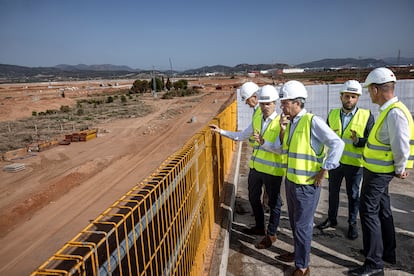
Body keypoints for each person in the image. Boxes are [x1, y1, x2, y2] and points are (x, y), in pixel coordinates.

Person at [261, 80, 344, 276]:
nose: (282, 106)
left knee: (302, 226)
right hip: (291, 182)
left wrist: (325, 169)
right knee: (294, 224)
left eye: (285, 102)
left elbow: (337, 144)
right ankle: (299, 253)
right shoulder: (292, 123)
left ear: (298, 102)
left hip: (307, 185)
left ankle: (303, 266)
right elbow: (284, 149)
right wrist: (281, 130)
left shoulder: (312, 121)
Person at [350, 68, 414, 276]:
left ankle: (374, 264)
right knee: (382, 210)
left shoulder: (394, 113)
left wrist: (400, 168)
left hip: (380, 173)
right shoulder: (389, 110)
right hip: (376, 170)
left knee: (368, 211)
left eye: (369, 90)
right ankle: (386, 252)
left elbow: (401, 145)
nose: (369, 94)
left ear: (377, 90)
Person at [211, 84, 284, 249]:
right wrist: (221, 131)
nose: (264, 106)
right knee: (253, 198)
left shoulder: (281, 122)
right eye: (263, 103)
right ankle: (260, 227)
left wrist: (263, 143)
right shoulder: (257, 118)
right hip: (256, 168)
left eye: (268, 103)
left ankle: (271, 234)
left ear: (274, 103)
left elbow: (280, 149)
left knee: (274, 204)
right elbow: (242, 135)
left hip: (273, 170)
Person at [317, 80, 374, 240]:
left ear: (358, 98)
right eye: (347, 96)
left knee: (353, 195)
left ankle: (352, 224)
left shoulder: (366, 115)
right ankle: (332, 219)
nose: (350, 100)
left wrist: (358, 141)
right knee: (333, 193)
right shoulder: (333, 114)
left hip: (355, 165)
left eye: (354, 97)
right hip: (336, 163)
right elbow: (326, 138)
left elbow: (371, 140)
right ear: (341, 96)